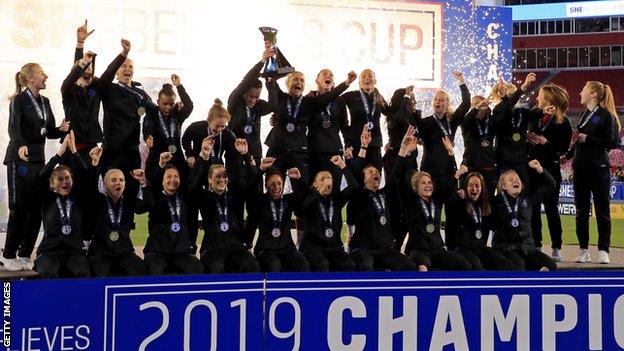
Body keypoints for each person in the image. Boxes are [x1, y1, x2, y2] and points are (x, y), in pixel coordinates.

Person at [3, 62, 70, 271]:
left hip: (38, 161)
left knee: (35, 209)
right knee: (19, 208)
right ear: (30, 78)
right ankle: (8, 254)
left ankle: (24, 253)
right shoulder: (19, 100)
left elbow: (48, 130)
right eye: (42, 74)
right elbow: (13, 127)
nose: (46, 76)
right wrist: (21, 145)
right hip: (20, 159)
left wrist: (60, 129)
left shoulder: (45, 101)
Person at [396, 128, 472, 271]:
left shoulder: (436, 200)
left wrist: (450, 154)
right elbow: (400, 176)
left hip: (437, 250)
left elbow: (449, 183)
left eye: (429, 182)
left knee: (464, 266)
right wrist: (406, 153)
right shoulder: (410, 200)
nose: (428, 185)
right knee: (423, 268)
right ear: (415, 186)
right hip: (418, 251)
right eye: (423, 183)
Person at [228, 45, 279, 248]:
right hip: (235, 159)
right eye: (250, 96)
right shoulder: (234, 103)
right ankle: (237, 243)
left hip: (255, 159)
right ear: (244, 93)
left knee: (255, 205)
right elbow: (245, 82)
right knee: (237, 204)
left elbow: (274, 104)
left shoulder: (258, 106)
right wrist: (261, 62)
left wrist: (271, 83)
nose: (253, 99)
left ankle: (247, 242)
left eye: (256, 96)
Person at [265, 70, 356, 183]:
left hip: (298, 152)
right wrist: (271, 76)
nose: (299, 82)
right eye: (296, 79)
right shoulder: (281, 97)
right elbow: (272, 84)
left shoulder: (309, 102)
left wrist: (346, 83)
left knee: (303, 191)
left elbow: (328, 97)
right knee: (273, 184)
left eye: (302, 80)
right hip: (277, 148)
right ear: (288, 83)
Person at [347, 127, 415, 271]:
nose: (375, 173)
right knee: (366, 265)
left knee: (408, 265)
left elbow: (395, 173)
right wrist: (364, 146)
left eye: (376, 171)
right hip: (363, 248)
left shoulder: (386, 194)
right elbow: (357, 173)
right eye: (370, 172)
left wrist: (402, 150)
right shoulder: (360, 195)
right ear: (363, 180)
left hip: (384, 249)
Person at [569, 81, 622, 264]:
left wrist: (588, 139)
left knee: (602, 210)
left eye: (583, 89)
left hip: (599, 169)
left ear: (593, 94)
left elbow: (613, 142)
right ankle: (584, 249)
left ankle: (603, 250)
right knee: (581, 212)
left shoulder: (606, 116)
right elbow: (579, 142)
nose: (580, 93)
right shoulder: (583, 115)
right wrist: (567, 154)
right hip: (580, 168)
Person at [189, 137, 260, 274]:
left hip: (235, 247)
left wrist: (246, 154)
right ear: (210, 179)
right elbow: (193, 183)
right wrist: (204, 155)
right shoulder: (204, 197)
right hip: (212, 248)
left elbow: (254, 183)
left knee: (252, 265)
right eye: (217, 177)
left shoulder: (235, 196)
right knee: (216, 268)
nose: (222, 180)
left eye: (224, 176)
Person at [182, 99, 241, 248]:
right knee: (193, 209)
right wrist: (189, 155)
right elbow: (185, 139)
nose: (220, 129)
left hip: (215, 174)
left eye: (223, 126)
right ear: (209, 121)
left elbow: (234, 151)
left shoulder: (227, 133)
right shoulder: (197, 127)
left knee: (216, 208)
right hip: (199, 169)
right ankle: (191, 246)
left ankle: (218, 242)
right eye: (217, 126)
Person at [413, 71, 470, 218]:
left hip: (449, 173)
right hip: (430, 172)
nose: (438, 102)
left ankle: (452, 241)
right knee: (432, 212)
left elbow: (466, 104)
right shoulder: (425, 122)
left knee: (453, 213)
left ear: (447, 103)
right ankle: (433, 241)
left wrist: (461, 81)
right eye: (436, 99)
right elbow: (417, 132)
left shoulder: (452, 121)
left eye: (442, 100)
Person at [34, 132, 91, 278]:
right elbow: (42, 177)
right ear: (52, 185)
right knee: (47, 273)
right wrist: (60, 152)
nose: (64, 181)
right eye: (59, 179)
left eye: (67, 178)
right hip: (50, 251)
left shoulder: (77, 197)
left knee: (83, 273)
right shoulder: (48, 198)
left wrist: (74, 151)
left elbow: (86, 176)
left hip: (74, 251)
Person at [85, 146, 148, 277]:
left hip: (123, 251)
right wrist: (95, 165)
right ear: (106, 184)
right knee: (98, 272)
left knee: (139, 269)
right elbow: (89, 187)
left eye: (121, 180)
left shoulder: (129, 202)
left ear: (125, 184)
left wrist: (143, 182)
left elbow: (147, 206)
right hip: (101, 252)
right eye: (113, 180)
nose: (118, 183)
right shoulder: (99, 201)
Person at [526, 84, 572, 261]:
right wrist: (527, 136)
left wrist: (547, 143)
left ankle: (556, 247)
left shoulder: (563, 121)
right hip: (532, 168)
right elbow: (525, 134)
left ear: (549, 98)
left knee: (552, 209)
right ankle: (536, 245)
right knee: (533, 209)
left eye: (540, 95)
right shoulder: (535, 116)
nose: (537, 97)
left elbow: (563, 148)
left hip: (551, 170)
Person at [143, 152, 203, 276]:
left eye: (176, 176)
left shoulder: (185, 197)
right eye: (168, 177)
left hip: (182, 253)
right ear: (162, 180)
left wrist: (203, 156)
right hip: (157, 253)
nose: (172, 180)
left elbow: (197, 177)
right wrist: (161, 165)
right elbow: (154, 185)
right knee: (155, 272)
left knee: (197, 269)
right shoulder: (155, 197)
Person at [492, 160, 558, 271]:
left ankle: (539, 287)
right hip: (506, 249)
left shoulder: (528, 199)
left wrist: (540, 170)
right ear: (503, 186)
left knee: (550, 265)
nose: (515, 180)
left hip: (528, 249)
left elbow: (551, 184)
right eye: (511, 179)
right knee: (519, 265)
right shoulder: (495, 202)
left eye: (517, 178)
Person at [445, 172, 517, 270]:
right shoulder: (458, 202)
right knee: (476, 265)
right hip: (460, 248)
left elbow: (495, 224)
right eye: (470, 185)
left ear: (482, 188)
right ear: (465, 187)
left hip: (479, 247)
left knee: (503, 262)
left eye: (477, 185)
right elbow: (448, 201)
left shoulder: (485, 206)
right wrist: (460, 200)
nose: (474, 189)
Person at [298, 156, 357, 272]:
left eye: (329, 178)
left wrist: (342, 166)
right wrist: (319, 193)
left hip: (333, 247)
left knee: (349, 264)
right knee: (322, 265)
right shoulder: (310, 198)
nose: (327, 181)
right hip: (312, 247)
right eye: (322, 179)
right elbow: (302, 209)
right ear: (314, 184)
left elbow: (353, 187)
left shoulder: (336, 199)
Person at [252, 162, 310, 272]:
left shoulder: (288, 200)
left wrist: (300, 179)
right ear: (266, 185)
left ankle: (300, 289)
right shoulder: (260, 200)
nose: (277, 187)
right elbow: (251, 188)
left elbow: (307, 195)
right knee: (274, 265)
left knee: (303, 263)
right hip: (265, 249)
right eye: (272, 184)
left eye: (279, 183)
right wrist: (260, 171)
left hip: (287, 248)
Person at [143, 75, 193, 180]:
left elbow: (189, 105)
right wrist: (147, 137)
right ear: (158, 102)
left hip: (177, 159)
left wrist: (179, 86)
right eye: (164, 104)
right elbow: (147, 127)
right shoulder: (152, 114)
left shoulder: (177, 114)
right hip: (157, 160)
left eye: (171, 104)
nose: (168, 107)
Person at [341, 69, 390, 171]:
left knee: (374, 178)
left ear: (375, 80)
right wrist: (348, 144)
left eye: (370, 76)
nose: (367, 78)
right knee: (356, 179)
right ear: (359, 82)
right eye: (363, 76)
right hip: (356, 145)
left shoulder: (379, 97)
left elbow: (391, 114)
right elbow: (334, 100)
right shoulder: (351, 96)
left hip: (375, 145)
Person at [307, 69, 350, 182]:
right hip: (314, 150)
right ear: (317, 80)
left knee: (334, 187)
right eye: (325, 74)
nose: (328, 76)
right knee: (315, 187)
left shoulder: (340, 100)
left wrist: (348, 146)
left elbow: (344, 126)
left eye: (331, 75)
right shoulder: (310, 98)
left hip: (334, 150)